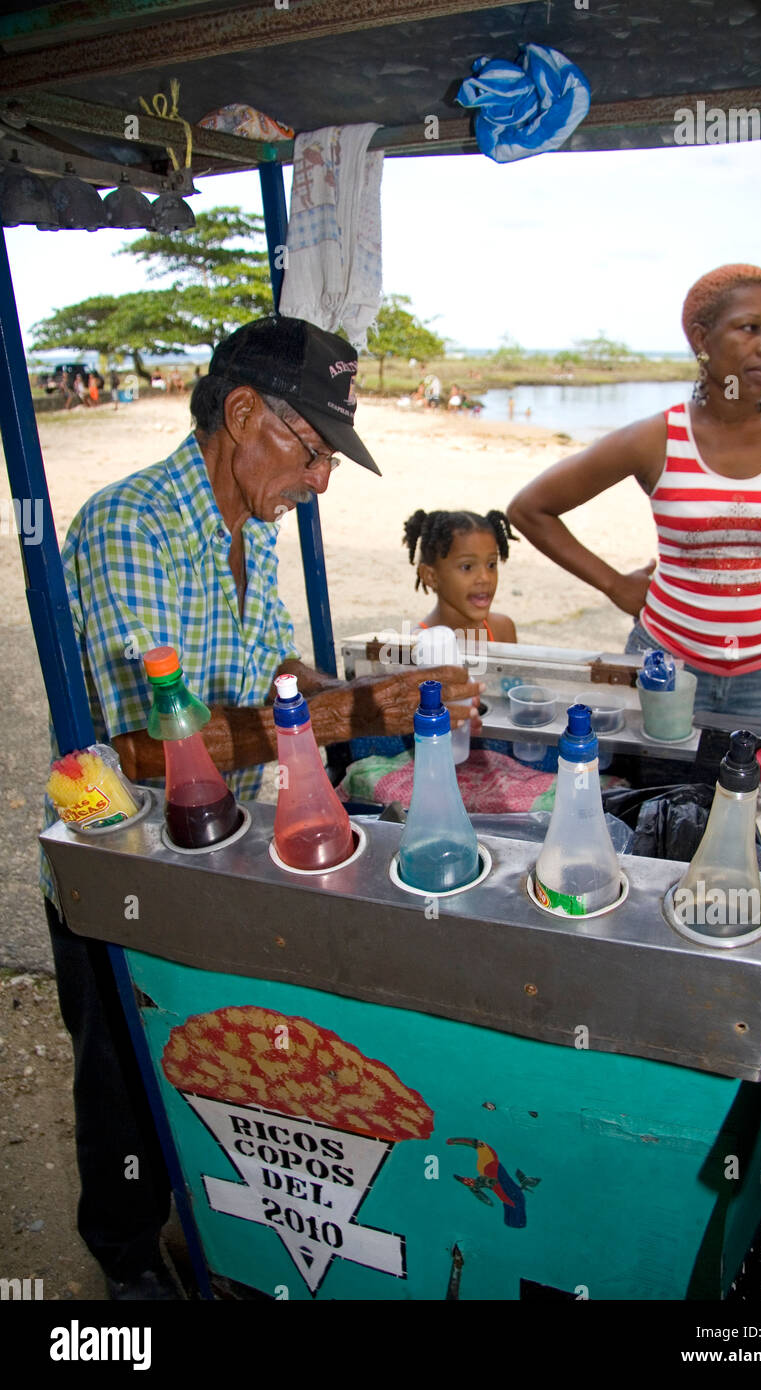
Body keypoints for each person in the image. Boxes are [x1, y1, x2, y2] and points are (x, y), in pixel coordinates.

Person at [40, 316, 483, 1300]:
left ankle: (214, 1230)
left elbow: (272, 669)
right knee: (119, 1082)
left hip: (221, 843)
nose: (321, 481)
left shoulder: (242, 524)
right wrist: (343, 709)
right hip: (125, 860)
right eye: (314, 451)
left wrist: (376, 705)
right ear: (242, 413)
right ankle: (123, 1261)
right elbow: (144, 747)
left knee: (202, 1051)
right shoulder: (134, 524)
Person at [508, 265, 761, 723]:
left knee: (751, 795)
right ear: (702, 339)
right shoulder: (656, 440)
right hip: (666, 668)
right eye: (750, 328)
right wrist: (616, 585)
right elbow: (530, 509)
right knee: (658, 791)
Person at [403, 508, 518, 642]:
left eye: (491, 565)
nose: (485, 578)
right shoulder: (417, 644)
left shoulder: (502, 629)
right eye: (467, 567)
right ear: (431, 576)